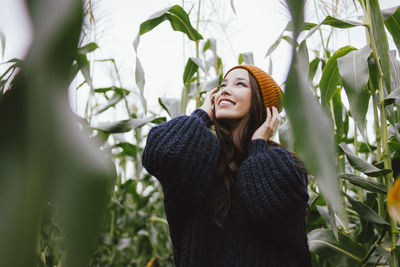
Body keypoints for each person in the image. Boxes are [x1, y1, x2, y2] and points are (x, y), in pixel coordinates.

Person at [142, 64, 311, 266]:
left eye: (240, 84)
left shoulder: (283, 163)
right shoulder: (201, 160)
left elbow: (268, 208)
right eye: (222, 85)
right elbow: (159, 153)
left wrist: (258, 144)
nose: (225, 90)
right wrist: (202, 115)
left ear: (262, 102)